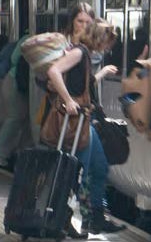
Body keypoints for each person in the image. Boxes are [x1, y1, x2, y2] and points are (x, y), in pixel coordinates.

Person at [45, 15, 124, 236]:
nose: (107, 48)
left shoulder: (85, 56)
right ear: (99, 39)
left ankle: (94, 218)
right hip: (75, 122)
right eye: (107, 43)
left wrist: (100, 74)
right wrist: (68, 99)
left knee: (100, 168)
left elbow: (84, 86)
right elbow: (54, 71)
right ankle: (63, 218)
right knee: (78, 171)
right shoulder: (79, 52)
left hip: (84, 120)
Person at [0, 34, 34, 167]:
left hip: (23, 82)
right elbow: (14, 59)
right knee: (16, 116)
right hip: (15, 81)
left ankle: (23, 152)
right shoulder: (28, 38)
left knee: (27, 118)